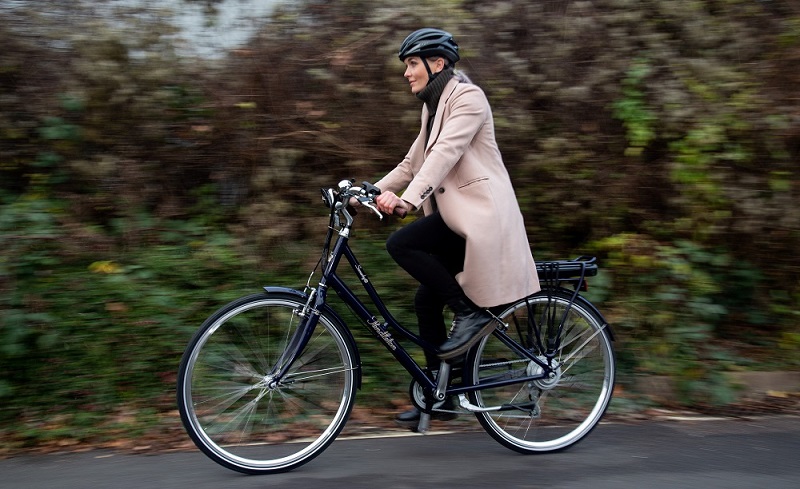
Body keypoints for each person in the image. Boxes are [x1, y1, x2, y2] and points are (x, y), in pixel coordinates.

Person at [371, 28, 540, 423]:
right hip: (457, 220)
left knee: (402, 244)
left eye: (412, 63)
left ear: (438, 63)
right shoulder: (433, 106)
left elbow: (446, 153)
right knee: (425, 299)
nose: (407, 73)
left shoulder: (468, 98)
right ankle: (440, 394)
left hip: (484, 220)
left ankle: (470, 313)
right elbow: (412, 163)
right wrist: (368, 191)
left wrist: (407, 200)